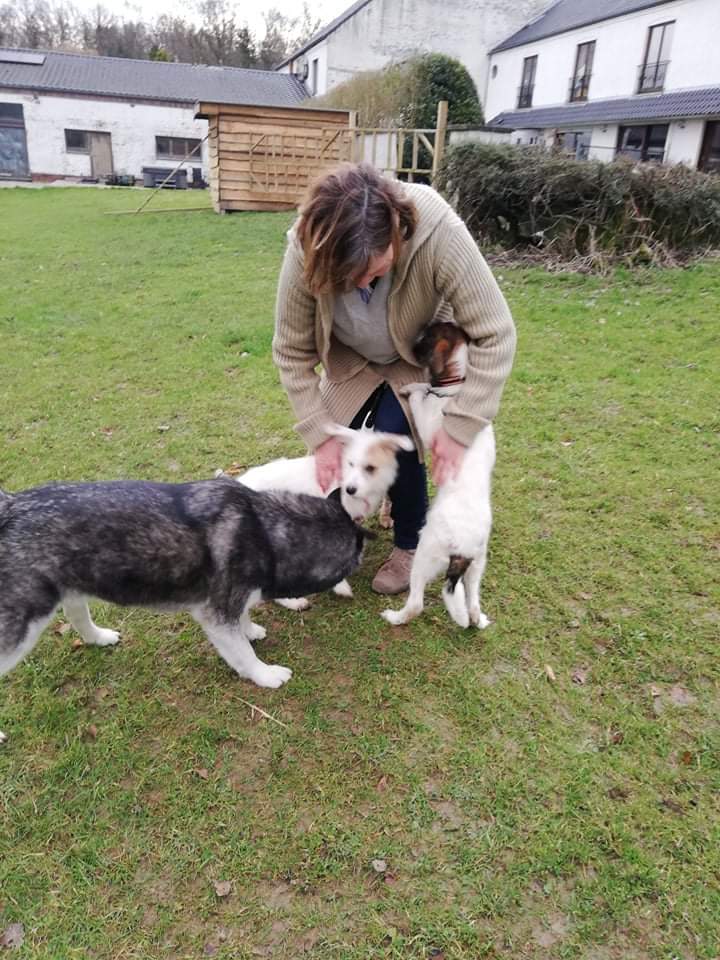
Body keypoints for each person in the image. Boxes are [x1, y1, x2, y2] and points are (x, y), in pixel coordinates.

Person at [272, 162, 516, 594]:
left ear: (396, 231)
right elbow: (290, 351)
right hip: (351, 359)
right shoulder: (305, 246)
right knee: (339, 455)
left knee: (393, 440)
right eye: (347, 278)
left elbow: (496, 334)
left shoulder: (437, 228)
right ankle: (335, 540)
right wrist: (319, 434)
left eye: (372, 270)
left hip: (419, 353)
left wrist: (459, 429)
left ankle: (410, 542)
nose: (362, 283)